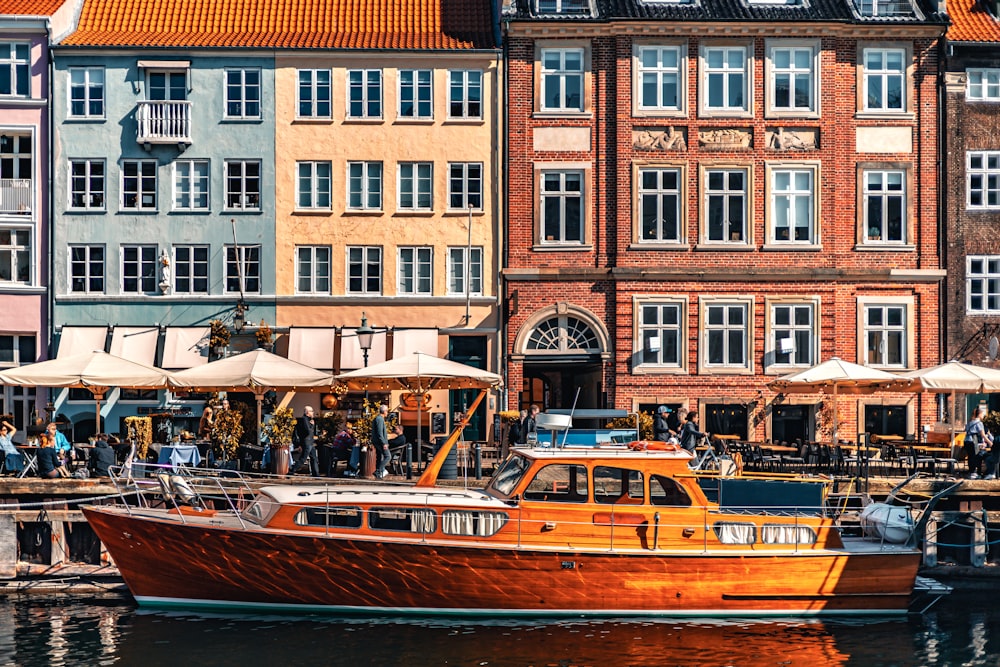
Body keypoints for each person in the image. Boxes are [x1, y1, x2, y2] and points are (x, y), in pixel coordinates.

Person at [288, 405, 318, 476]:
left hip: (310, 441)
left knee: (314, 458)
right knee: (303, 458)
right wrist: (312, 425)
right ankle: (292, 470)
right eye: (311, 411)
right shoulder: (304, 419)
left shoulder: (308, 420)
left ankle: (316, 474)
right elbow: (308, 431)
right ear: (307, 412)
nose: (313, 413)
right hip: (307, 442)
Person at [965, 407, 994, 479]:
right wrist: (990, 442)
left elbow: (965, 430)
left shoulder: (970, 422)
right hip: (973, 441)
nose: (983, 416)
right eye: (982, 414)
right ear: (980, 414)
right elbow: (983, 435)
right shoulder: (979, 423)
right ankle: (975, 472)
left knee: (970, 456)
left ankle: (971, 472)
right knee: (975, 456)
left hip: (966, 440)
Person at [372, 404, 390, 479]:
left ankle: (378, 473)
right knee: (388, 456)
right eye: (387, 411)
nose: (387, 413)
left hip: (378, 441)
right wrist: (384, 443)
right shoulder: (379, 419)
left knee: (379, 457)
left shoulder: (379, 419)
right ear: (384, 411)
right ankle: (378, 471)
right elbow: (380, 433)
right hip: (379, 442)